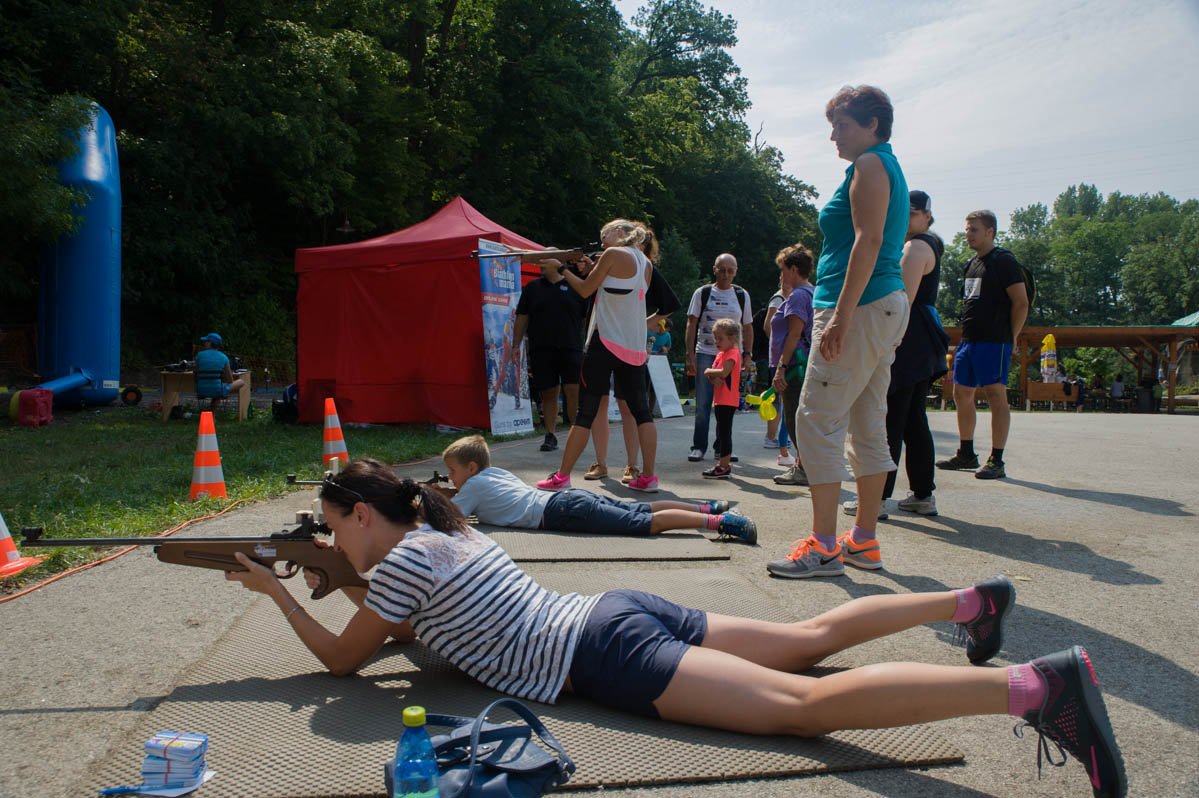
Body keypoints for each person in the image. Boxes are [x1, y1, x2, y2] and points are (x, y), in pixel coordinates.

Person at [225, 459, 1127, 798]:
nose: (332, 537)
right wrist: (332, 577)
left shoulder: (406, 564)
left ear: (362, 518)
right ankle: (971, 603)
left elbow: (348, 664)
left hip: (601, 651)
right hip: (617, 613)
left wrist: (278, 593)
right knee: (811, 634)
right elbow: (400, 629)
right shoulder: (441, 534)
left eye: (333, 525)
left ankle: (1037, 688)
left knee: (803, 709)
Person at [767, 86, 911, 580]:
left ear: (872, 124)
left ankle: (824, 547)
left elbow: (868, 241)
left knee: (815, 420)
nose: (833, 134)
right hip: (883, 305)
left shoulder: (870, 166)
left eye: (842, 124)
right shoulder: (884, 165)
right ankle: (863, 542)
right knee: (867, 420)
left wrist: (843, 315)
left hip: (859, 305)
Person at [843, 190, 948, 520]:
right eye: (904, 211)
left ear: (927, 217)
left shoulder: (916, 247)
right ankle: (922, 493)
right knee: (914, 420)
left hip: (907, 339)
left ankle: (876, 500)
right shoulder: (925, 245)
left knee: (889, 418)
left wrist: (884, 342)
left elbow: (901, 296)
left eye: (913, 212)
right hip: (920, 339)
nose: (906, 217)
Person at [535, 220, 660, 493]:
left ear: (619, 233)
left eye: (603, 237)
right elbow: (617, 291)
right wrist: (593, 269)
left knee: (586, 411)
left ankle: (562, 476)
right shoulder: (646, 264)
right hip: (633, 347)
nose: (601, 244)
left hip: (604, 343)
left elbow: (584, 290)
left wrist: (562, 268)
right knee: (642, 412)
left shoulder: (614, 255)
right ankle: (649, 477)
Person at [441, 436, 755, 542]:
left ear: (471, 468)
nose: (450, 478)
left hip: (562, 512)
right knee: (641, 509)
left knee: (644, 524)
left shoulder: (473, 486)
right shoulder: (493, 474)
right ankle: (709, 508)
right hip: (568, 499)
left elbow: (448, 519)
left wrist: (422, 502)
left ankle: (719, 523)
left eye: (452, 472)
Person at [936, 210, 1028, 480]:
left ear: (990, 232)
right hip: (969, 340)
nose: (968, 234)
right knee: (961, 394)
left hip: (995, 340)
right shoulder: (971, 264)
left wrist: (1011, 338)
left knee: (996, 395)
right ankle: (966, 454)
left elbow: (1021, 303)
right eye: (967, 229)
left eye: (974, 229)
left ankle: (996, 460)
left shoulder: (1004, 261)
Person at [584, 227, 680, 486]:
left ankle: (632, 466)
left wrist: (644, 323)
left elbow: (670, 304)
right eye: (602, 232)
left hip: (627, 345)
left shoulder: (641, 263)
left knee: (629, 407)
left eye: (609, 232)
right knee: (599, 404)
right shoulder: (605, 258)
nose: (603, 236)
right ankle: (601, 462)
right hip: (600, 339)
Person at [513, 257, 589, 452]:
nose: (541, 264)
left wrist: (590, 344)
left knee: (573, 390)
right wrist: (515, 345)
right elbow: (522, 317)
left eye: (545, 260)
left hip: (570, 347)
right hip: (542, 348)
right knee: (548, 392)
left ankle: (575, 434)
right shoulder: (532, 288)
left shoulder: (575, 285)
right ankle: (550, 435)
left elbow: (588, 318)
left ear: (557, 263)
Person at [685, 254, 753, 462]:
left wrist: (748, 355)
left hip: (731, 356)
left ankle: (722, 448)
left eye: (730, 270)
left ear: (736, 271)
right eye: (721, 269)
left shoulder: (741, 295)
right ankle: (698, 446)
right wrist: (689, 354)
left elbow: (748, 327)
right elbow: (691, 323)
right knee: (703, 404)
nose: (725, 274)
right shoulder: (703, 293)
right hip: (706, 352)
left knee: (726, 405)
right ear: (714, 269)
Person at [769, 244, 816, 487]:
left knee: (793, 417)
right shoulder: (813, 292)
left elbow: (794, 335)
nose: (782, 275)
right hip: (806, 365)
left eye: (784, 269)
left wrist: (781, 367)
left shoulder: (798, 295)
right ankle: (805, 466)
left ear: (794, 269)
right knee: (801, 417)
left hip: (795, 366)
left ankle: (807, 468)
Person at [701, 319, 741, 479]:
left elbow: (723, 373)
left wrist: (707, 371)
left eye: (720, 338)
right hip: (719, 399)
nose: (716, 342)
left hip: (728, 399)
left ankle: (724, 466)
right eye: (715, 338)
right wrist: (712, 376)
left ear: (732, 339)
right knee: (722, 431)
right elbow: (715, 378)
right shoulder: (720, 354)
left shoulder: (732, 353)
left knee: (724, 432)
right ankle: (723, 465)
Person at [761, 277, 791, 458]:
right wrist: (780, 346)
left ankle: (776, 435)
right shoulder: (778, 298)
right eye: (784, 279)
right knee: (777, 397)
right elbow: (768, 326)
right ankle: (771, 436)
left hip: (782, 355)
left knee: (781, 397)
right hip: (778, 356)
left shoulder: (789, 297)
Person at [193, 333, 246, 411]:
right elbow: (230, 380)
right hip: (216, 390)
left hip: (200, 389)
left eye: (206, 341)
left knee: (218, 388)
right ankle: (212, 414)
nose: (204, 343)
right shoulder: (223, 357)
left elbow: (195, 372)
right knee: (241, 382)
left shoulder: (199, 355)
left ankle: (211, 413)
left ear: (210, 343)